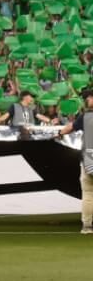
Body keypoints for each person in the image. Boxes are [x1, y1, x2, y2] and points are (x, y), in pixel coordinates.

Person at [56, 91, 93, 234]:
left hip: (88, 160)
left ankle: (87, 226)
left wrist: (59, 134)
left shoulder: (85, 117)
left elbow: (69, 128)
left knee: (88, 194)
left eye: (88, 98)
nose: (86, 100)